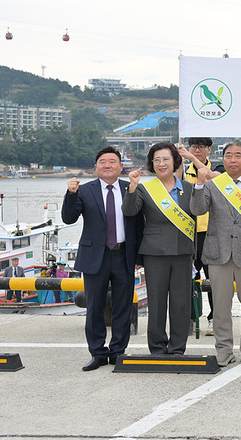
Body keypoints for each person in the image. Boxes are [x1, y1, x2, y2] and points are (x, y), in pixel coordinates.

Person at [190, 141, 241, 367]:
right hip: (218, 253)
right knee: (220, 306)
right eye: (228, 155)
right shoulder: (212, 185)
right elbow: (197, 210)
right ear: (222, 159)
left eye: (238, 155)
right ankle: (224, 350)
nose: (233, 160)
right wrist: (199, 184)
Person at [62, 147, 144, 371]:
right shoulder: (83, 190)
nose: (107, 165)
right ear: (95, 167)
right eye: (103, 162)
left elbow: (140, 225)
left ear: (121, 166)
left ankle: (118, 352)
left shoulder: (132, 188)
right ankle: (97, 353)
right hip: (94, 256)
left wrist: (139, 256)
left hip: (124, 254)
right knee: (94, 307)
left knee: (123, 307)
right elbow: (68, 218)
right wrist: (70, 194)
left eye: (112, 161)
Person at [123, 142, 196, 356]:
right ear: (151, 164)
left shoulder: (189, 189)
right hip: (155, 252)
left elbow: (195, 220)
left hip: (183, 252)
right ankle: (157, 348)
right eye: (157, 160)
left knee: (181, 303)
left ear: (175, 161)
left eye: (165, 159)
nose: (161, 164)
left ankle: (177, 348)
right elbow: (129, 211)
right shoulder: (145, 189)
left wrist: (195, 253)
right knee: (156, 302)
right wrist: (132, 187)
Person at [178, 137, 226, 336]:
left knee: (214, 279)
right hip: (188, 232)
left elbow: (217, 179)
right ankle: (189, 319)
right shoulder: (183, 169)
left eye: (200, 147)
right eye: (193, 147)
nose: (196, 150)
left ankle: (215, 319)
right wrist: (180, 162)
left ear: (209, 150)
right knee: (187, 279)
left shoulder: (217, 168)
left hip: (210, 233)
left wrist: (192, 159)